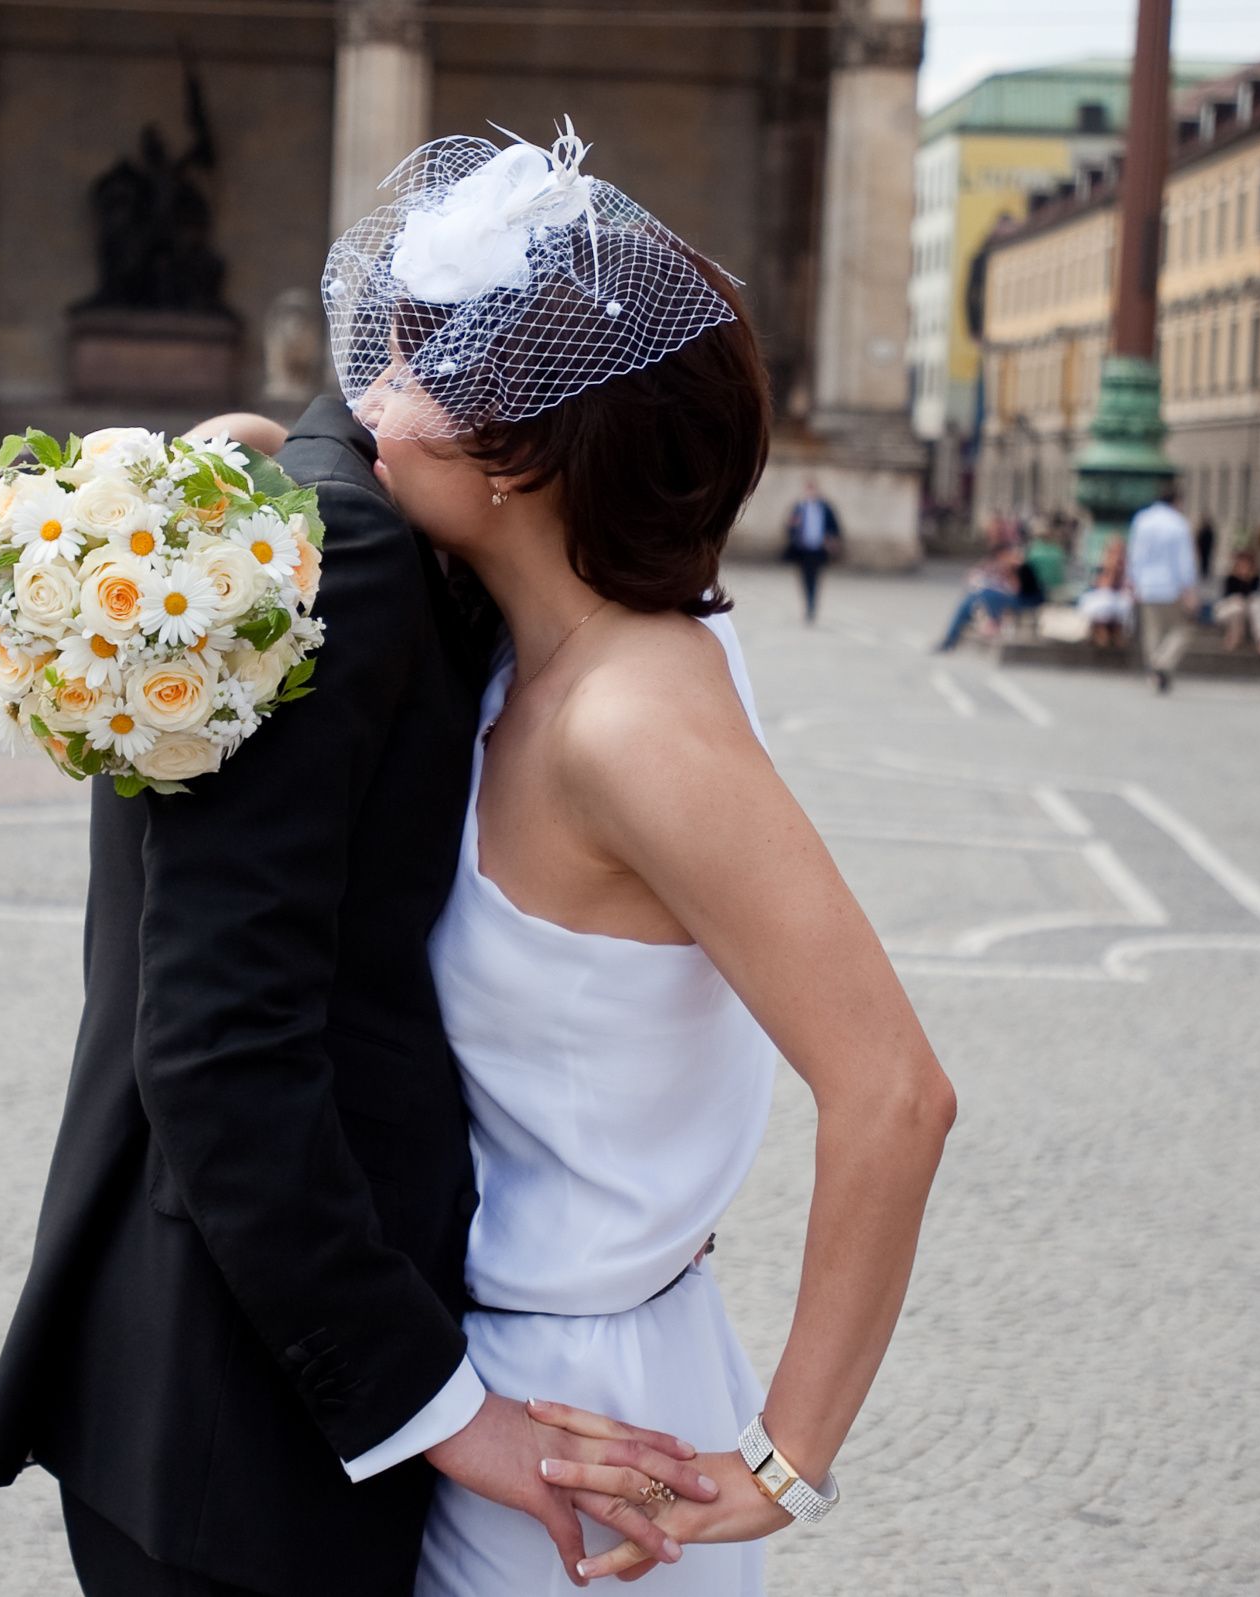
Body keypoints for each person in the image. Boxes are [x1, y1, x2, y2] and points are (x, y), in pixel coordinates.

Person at [0, 171, 729, 1595]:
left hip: (197, 1375)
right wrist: (441, 1413)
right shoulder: (352, 560)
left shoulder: (288, 511)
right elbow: (218, 1042)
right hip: (252, 1422)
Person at [334, 125, 956, 1592]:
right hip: (527, 1364)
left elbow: (896, 1093)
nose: (371, 396)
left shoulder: (632, 723)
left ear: (523, 451)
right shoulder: (557, 642)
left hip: (585, 1411)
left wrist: (786, 1455)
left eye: (420, 371)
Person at [1128, 483, 1197, 692]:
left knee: (1152, 633)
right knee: (1181, 631)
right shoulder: (1178, 523)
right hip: (1171, 586)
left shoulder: (1142, 520)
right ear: (1176, 501)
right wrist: (1189, 588)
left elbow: (1135, 553)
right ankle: (1162, 664)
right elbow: (1184, 559)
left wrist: (1132, 580)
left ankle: (1155, 673)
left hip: (1147, 584)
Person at [935, 545, 1037, 651]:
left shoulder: (1019, 568)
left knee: (984, 594)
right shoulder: (992, 566)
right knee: (969, 601)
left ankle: (993, 622)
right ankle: (950, 639)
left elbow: (1015, 590)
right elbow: (970, 579)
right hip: (995, 597)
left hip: (1019, 600)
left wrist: (1008, 573)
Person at [781, 477, 841, 622]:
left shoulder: (825, 508)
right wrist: (793, 525)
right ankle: (808, 602)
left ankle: (811, 606)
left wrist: (830, 539)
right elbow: (788, 528)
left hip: (818, 549)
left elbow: (835, 528)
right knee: (804, 578)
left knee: (814, 578)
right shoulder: (799, 507)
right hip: (803, 549)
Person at [1074, 536, 1135, 647]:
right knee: (1098, 608)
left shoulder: (1128, 567)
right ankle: (1100, 638)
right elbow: (1102, 586)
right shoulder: (1104, 565)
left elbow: (1127, 587)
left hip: (1121, 601)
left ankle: (1113, 639)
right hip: (1106, 599)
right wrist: (1110, 569)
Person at [1215, 545, 1260, 657]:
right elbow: (1229, 596)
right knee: (1237, 602)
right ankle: (1234, 635)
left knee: (1256, 603)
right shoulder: (1231, 578)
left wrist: (1248, 578)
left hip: (1246, 612)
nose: (1244, 568)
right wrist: (1239, 578)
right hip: (1228, 611)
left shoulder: (1255, 579)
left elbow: (1252, 595)